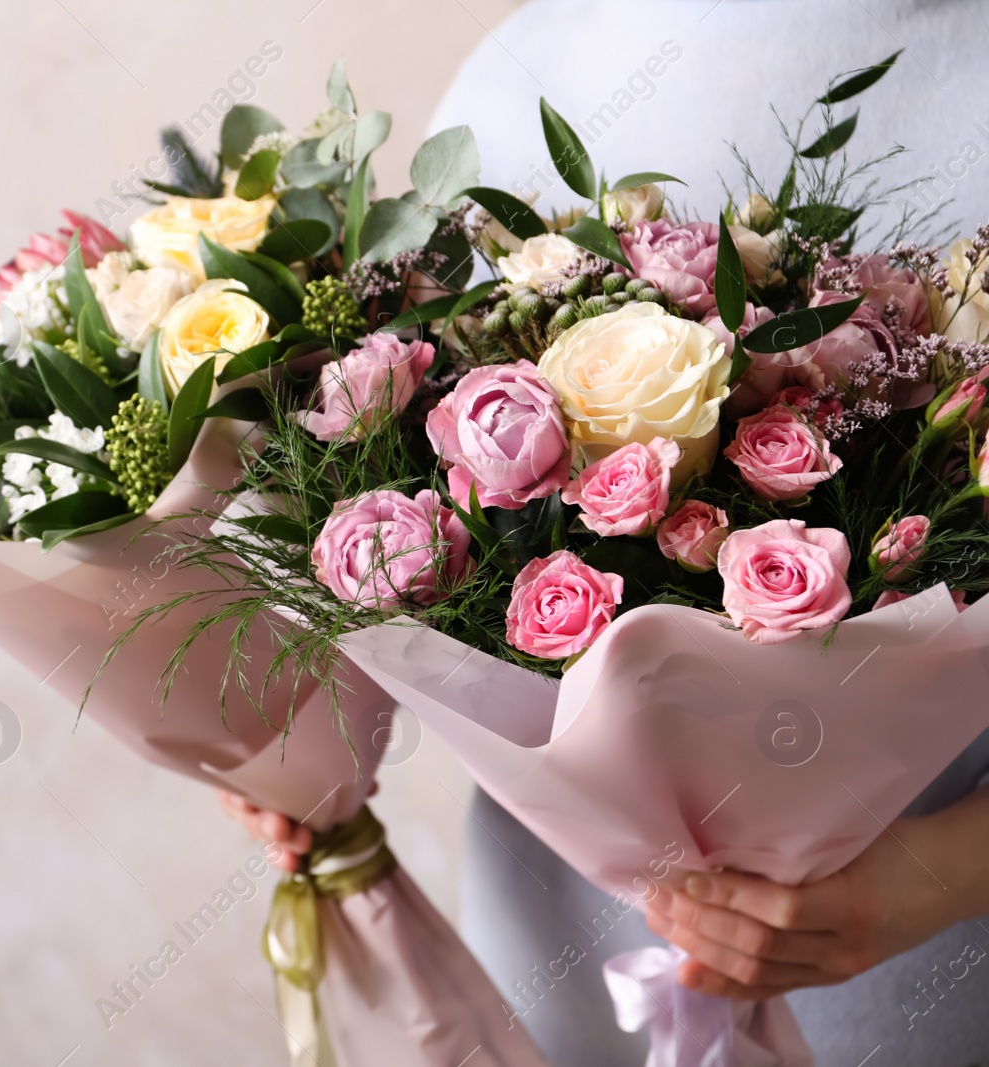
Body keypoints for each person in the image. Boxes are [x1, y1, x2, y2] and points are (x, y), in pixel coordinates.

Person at [226, 2, 989, 1062]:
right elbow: (410, 482)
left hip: (914, 955)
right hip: (551, 923)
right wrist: (305, 744)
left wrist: (938, 873)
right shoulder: (536, 62)